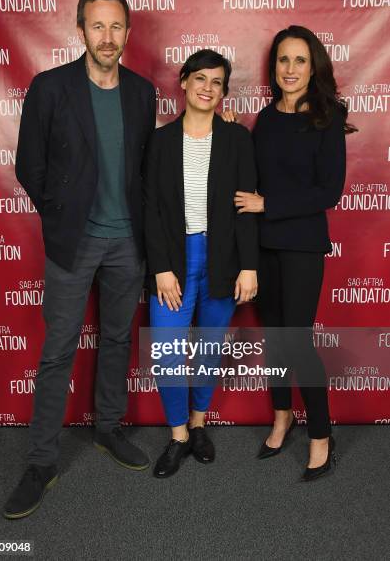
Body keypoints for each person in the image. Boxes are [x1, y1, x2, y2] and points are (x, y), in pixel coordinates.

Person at [3, 0, 156, 519]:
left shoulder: (142, 92)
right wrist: (63, 215)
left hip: (127, 243)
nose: (107, 37)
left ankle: (107, 428)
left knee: (117, 339)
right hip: (74, 241)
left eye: (117, 27)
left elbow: (145, 168)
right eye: (98, 26)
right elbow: (30, 165)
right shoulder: (50, 88)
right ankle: (41, 461)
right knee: (58, 350)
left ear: (128, 32)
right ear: (81, 29)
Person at [233, 25, 356, 481]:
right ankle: (283, 414)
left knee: (297, 340)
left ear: (313, 66)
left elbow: (330, 191)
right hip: (264, 246)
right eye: (283, 60)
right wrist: (230, 131)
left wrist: (270, 204)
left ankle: (321, 433)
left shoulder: (328, 116)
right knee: (276, 338)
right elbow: (249, 167)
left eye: (300, 60)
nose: (290, 69)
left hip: (303, 244)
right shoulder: (264, 119)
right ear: (274, 67)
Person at [144, 50, 258, 478]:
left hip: (222, 259)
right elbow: (150, 208)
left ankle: (198, 427)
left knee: (209, 351)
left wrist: (248, 266)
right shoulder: (159, 142)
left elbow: (245, 206)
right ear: (184, 82)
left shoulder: (237, 139)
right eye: (200, 79)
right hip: (173, 260)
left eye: (217, 82)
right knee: (169, 355)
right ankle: (176, 437)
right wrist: (160, 267)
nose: (208, 88)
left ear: (224, 91)